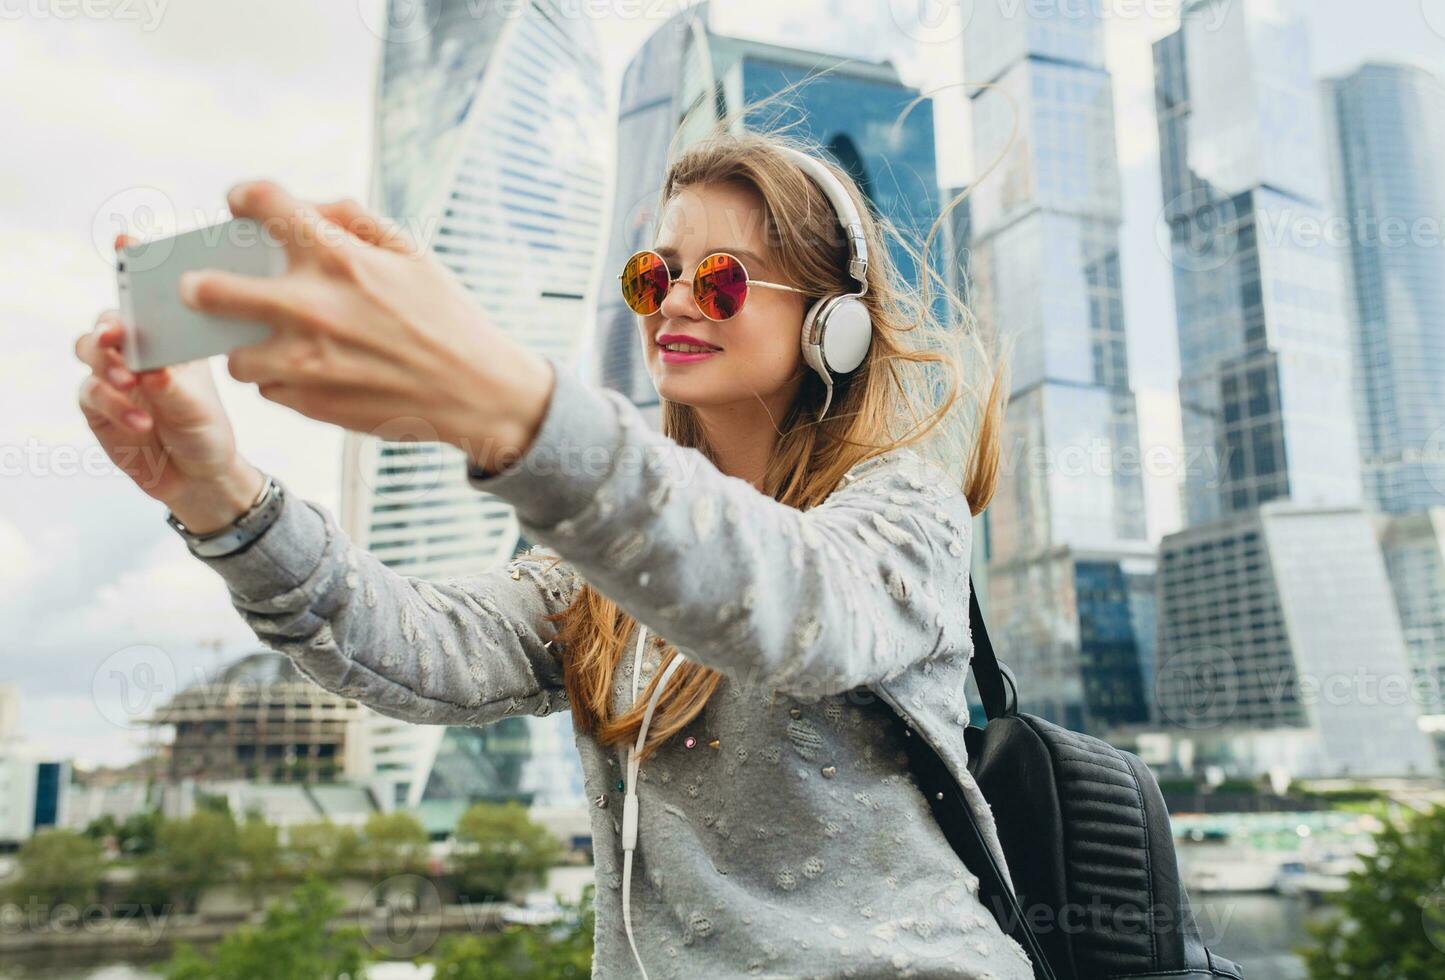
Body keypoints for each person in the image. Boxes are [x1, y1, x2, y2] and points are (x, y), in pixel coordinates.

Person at [74, 127, 1032, 979]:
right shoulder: (603, 575)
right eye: (653, 278)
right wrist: (214, 491)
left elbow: (786, 604)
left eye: (724, 280)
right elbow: (410, 643)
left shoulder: (907, 509)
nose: (676, 305)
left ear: (835, 320)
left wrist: (507, 405)